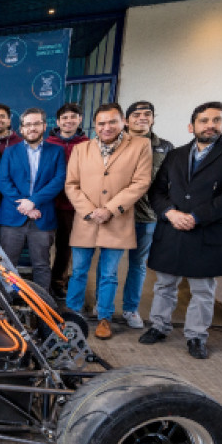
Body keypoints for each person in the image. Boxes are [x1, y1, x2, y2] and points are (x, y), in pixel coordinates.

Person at [140, 101, 222, 359]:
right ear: (191, 126)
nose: (210, 125)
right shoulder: (176, 155)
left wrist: (195, 217)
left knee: (202, 291)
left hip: (207, 231)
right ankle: (159, 326)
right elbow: (157, 191)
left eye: (216, 120)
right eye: (204, 120)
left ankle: (196, 336)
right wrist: (170, 213)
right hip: (172, 228)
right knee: (164, 284)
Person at [64, 103, 153, 340]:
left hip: (117, 220)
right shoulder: (81, 149)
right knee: (78, 271)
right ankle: (72, 314)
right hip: (86, 220)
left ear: (123, 122)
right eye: (101, 123)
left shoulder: (140, 146)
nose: (107, 127)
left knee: (109, 274)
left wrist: (111, 210)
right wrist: (89, 211)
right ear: (94, 125)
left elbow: (141, 182)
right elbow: (71, 184)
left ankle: (104, 317)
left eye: (112, 121)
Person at [0, 108, 67, 291]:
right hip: (12, 216)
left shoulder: (57, 151)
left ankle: (40, 303)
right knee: (7, 265)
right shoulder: (10, 152)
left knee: (42, 265)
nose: (32, 128)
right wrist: (25, 205)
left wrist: (33, 201)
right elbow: (3, 181)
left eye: (36, 124)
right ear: (21, 128)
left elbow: (59, 180)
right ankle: (7, 302)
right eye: (28, 124)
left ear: (44, 126)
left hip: (42, 216)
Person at [119, 101, 174, 328]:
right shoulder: (115, 142)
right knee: (108, 265)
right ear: (126, 120)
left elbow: (171, 183)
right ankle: (103, 306)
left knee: (138, 265)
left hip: (147, 217)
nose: (142, 117)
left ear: (153, 118)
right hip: (117, 215)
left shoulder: (165, 147)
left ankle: (130, 309)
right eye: (136, 114)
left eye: (147, 114)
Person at [45, 103, 89, 298]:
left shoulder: (87, 144)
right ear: (57, 121)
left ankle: (58, 282)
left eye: (73, 117)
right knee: (42, 245)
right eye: (64, 118)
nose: (68, 121)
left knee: (65, 246)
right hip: (48, 202)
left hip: (71, 205)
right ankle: (42, 281)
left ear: (80, 119)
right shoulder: (48, 143)